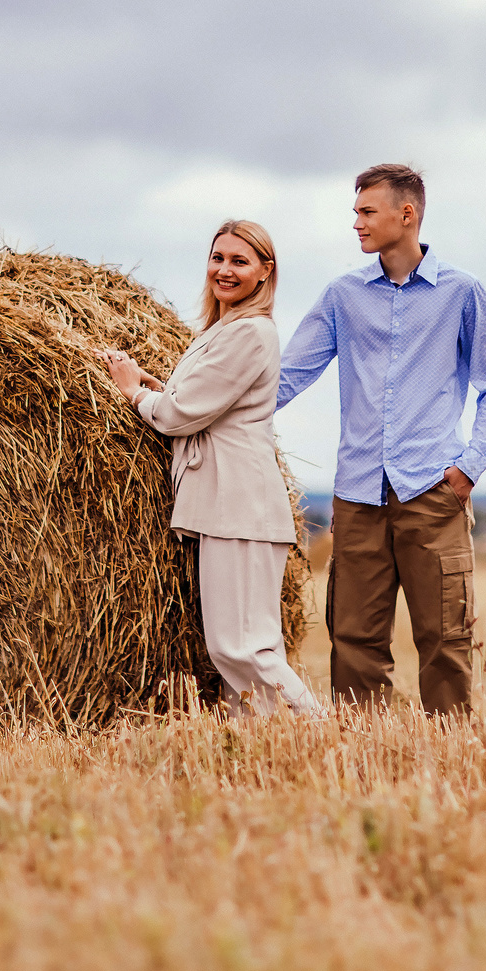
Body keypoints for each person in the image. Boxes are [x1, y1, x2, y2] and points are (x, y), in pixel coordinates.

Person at [278, 163, 486, 714]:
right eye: (355, 212)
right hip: (357, 496)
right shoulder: (342, 296)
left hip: (433, 493)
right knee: (354, 643)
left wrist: (469, 468)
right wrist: (195, 404)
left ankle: (452, 761)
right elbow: (287, 377)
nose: (355, 224)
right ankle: (366, 759)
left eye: (366, 211)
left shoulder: (462, 293)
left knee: (446, 642)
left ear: (406, 215)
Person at [106, 221, 326, 717]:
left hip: (241, 505)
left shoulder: (250, 332)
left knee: (247, 648)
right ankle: (260, 747)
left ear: (265, 271)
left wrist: (134, 391)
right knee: (232, 649)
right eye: (218, 258)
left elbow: (180, 414)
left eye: (239, 261)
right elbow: (202, 402)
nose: (224, 270)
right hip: (225, 505)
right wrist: (158, 385)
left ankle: (323, 734)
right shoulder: (223, 329)